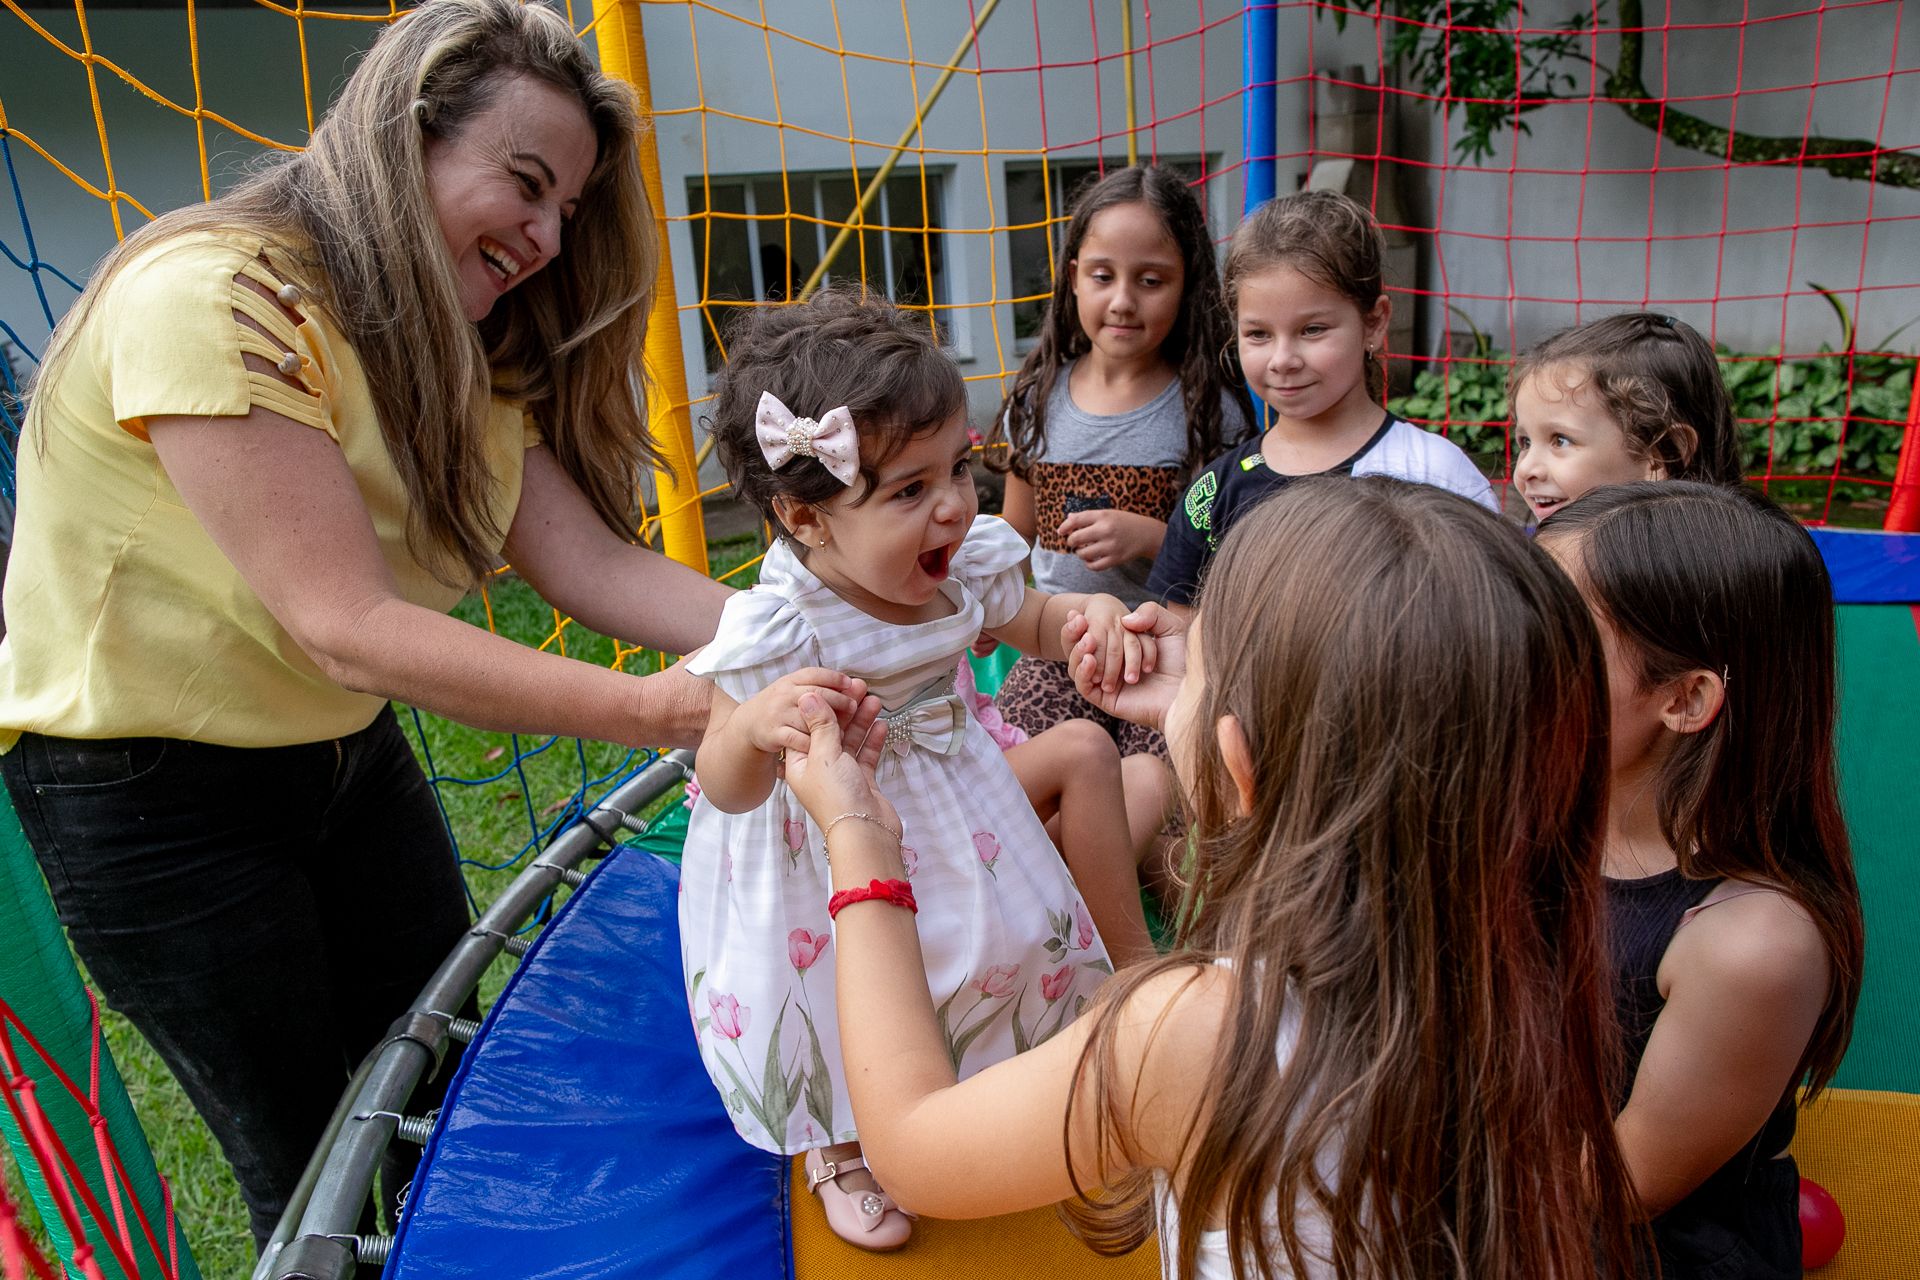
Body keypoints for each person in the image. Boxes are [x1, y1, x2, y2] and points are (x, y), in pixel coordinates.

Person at [0, 0, 871, 1249]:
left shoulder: (443, 338)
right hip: (149, 796)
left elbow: (587, 562)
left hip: (340, 751)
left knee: (434, 1091)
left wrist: (823, 619)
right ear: (404, 136)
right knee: (310, 1158)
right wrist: (667, 705)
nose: (543, 234)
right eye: (523, 183)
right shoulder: (211, 298)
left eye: (564, 210)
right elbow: (345, 621)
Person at [780, 476, 1643, 1280]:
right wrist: (1204, 704)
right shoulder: (1535, 969)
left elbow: (912, 1147)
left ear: (1242, 765)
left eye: (1205, 666)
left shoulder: (1195, 1033)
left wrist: (859, 842)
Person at [680, 289, 1159, 1251]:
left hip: (951, 791)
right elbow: (725, 784)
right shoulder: (783, 625)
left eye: (959, 470)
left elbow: (1035, 623)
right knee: (836, 988)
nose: (953, 505)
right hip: (826, 832)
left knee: (999, 932)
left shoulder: (963, 563)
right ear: (804, 519)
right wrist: (754, 729)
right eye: (909, 491)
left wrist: (1088, 624)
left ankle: (1027, 1049)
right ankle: (845, 1140)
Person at [1537, 482, 1864, 1278]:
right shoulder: (1533, 807)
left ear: (1684, 698)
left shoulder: (1751, 944)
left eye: (1555, 636)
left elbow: (1617, 1189)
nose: (1509, 649)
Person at [986, 167, 1252, 863]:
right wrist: (981, 599)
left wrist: (1153, 538)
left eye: (1151, 280)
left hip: (1160, 660)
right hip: (1057, 651)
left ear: (1188, 283)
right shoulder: (1038, 399)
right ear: (1074, 277)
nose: (1123, 300)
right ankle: (1040, 877)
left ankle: (1086, 886)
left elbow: (1235, 559)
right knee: (1001, 794)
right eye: (1103, 276)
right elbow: (1014, 534)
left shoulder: (1207, 409)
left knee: (1157, 806)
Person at [1148, 190, 1497, 616]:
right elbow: (1179, 638)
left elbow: (1491, 628)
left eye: (1312, 330)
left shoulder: (1436, 473)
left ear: (1375, 322)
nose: (1283, 361)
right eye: (1258, 334)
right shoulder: (1214, 492)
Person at [1511, 312, 1744, 525]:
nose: (1525, 469)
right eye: (1526, 442)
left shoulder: (1673, 569)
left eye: (1560, 440)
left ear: (1661, 455)